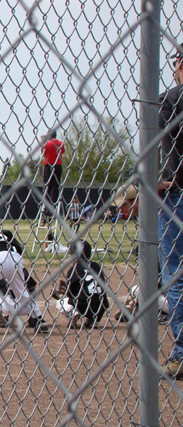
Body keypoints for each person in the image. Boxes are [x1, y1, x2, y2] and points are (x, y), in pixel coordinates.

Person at [159, 42, 183, 379]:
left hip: (176, 194)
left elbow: (163, 147)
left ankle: (181, 353)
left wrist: (163, 179)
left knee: (176, 273)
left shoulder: (171, 99)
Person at [52, 240, 109, 329]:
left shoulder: (74, 270)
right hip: (101, 305)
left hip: (83, 305)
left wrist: (63, 294)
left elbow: (71, 293)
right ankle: (93, 321)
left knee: (60, 302)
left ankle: (72, 313)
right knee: (93, 298)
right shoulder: (97, 267)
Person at [41, 129, 66, 224]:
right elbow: (62, 152)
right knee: (55, 187)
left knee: (47, 187)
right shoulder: (61, 144)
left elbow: (43, 153)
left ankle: (46, 208)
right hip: (58, 165)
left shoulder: (46, 144)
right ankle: (53, 206)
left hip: (48, 166)